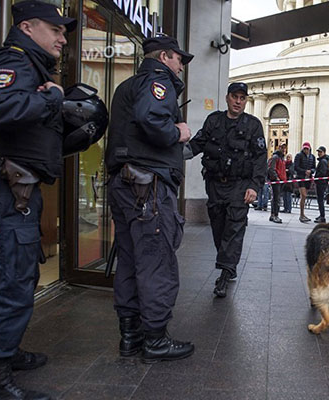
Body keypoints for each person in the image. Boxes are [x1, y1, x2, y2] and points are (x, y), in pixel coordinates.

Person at [0, 2, 76, 398]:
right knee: (10, 285)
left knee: (20, 279)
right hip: (5, 194)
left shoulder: (30, 66)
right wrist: (53, 100)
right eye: (56, 30)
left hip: (17, 194)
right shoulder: (13, 62)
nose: (63, 39)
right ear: (28, 27)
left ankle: (7, 352)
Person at [105, 35, 194, 364]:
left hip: (125, 184)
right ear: (166, 56)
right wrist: (178, 133)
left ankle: (130, 336)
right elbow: (152, 120)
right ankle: (155, 338)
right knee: (156, 261)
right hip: (148, 188)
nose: (182, 65)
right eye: (179, 59)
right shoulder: (159, 81)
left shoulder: (126, 87)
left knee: (129, 260)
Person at [189, 82, 267, 298]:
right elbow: (198, 143)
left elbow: (261, 158)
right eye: (235, 97)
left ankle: (224, 274)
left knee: (234, 228)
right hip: (215, 184)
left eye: (242, 98)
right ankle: (228, 263)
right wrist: (173, 152)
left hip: (239, 186)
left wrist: (254, 186)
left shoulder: (253, 125)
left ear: (246, 101)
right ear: (227, 98)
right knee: (218, 227)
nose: (238, 102)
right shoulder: (214, 120)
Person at [294, 142, 316, 223]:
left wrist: (311, 171)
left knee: (304, 197)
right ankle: (301, 214)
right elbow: (296, 167)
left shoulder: (312, 157)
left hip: (308, 178)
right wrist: (304, 171)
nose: (306, 150)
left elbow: (314, 167)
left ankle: (302, 214)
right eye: (305, 149)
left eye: (307, 149)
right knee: (303, 195)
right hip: (301, 177)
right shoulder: (298, 155)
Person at [268, 143, 287, 223]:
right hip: (277, 181)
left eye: (284, 148)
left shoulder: (282, 158)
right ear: (278, 148)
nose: (283, 149)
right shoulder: (276, 157)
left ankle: (273, 215)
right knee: (276, 199)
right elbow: (271, 168)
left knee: (276, 198)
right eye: (282, 147)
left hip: (281, 180)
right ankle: (275, 215)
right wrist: (276, 177)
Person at [314, 146, 329, 223]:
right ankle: (321, 215)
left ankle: (322, 216)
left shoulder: (323, 161)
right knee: (320, 200)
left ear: (324, 152)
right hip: (321, 182)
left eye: (320, 152)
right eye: (318, 152)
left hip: (321, 183)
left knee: (320, 200)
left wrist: (316, 177)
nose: (319, 153)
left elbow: (322, 172)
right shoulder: (324, 160)